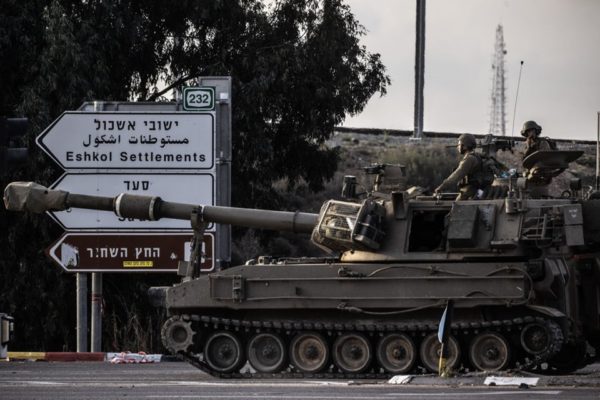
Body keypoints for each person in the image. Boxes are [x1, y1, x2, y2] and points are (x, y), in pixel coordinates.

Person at [435, 134, 491, 200]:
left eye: (459, 145)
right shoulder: (476, 156)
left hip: (470, 191)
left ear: (464, 146)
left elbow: (456, 175)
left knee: (457, 207)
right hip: (475, 190)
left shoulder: (469, 159)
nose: (457, 147)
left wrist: (442, 187)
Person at [520, 120, 556, 197]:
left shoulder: (543, 142)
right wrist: (529, 148)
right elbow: (524, 160)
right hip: (532, 170)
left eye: (532, 130)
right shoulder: (527, 144)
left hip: (542, 169)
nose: (531, 133)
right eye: (529, 131)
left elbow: (545, 156)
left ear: (536, 131)